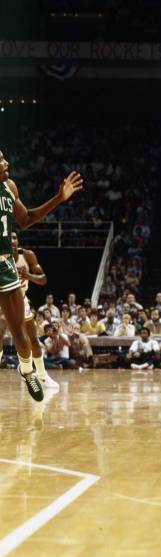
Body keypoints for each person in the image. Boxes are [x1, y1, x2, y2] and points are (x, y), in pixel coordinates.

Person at [0, 149, 83, 400]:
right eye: (0, 159)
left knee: (20, 335)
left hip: (4, 266)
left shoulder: (9, 187)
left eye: (5, 156)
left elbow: (26, 220)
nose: (7, 161)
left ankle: (27, 370)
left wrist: (59, 198)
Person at [0, 232, 59, 389]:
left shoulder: (27, 255)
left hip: (21, 300)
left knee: (33, 339)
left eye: (15, 238)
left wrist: (28, 275)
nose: (12, 240)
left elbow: (43, 279)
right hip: (2, 300)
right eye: (9, 238)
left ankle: (42, 375)